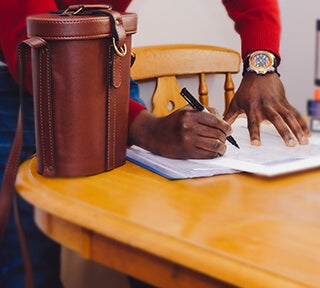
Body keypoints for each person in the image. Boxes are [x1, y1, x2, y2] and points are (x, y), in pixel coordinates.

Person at [0, 0, 310, 287]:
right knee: (25, 263)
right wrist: (146, 129)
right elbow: (30, 49)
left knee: (142, 238)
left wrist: (261, 64)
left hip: (103, 64)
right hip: (22, 76)